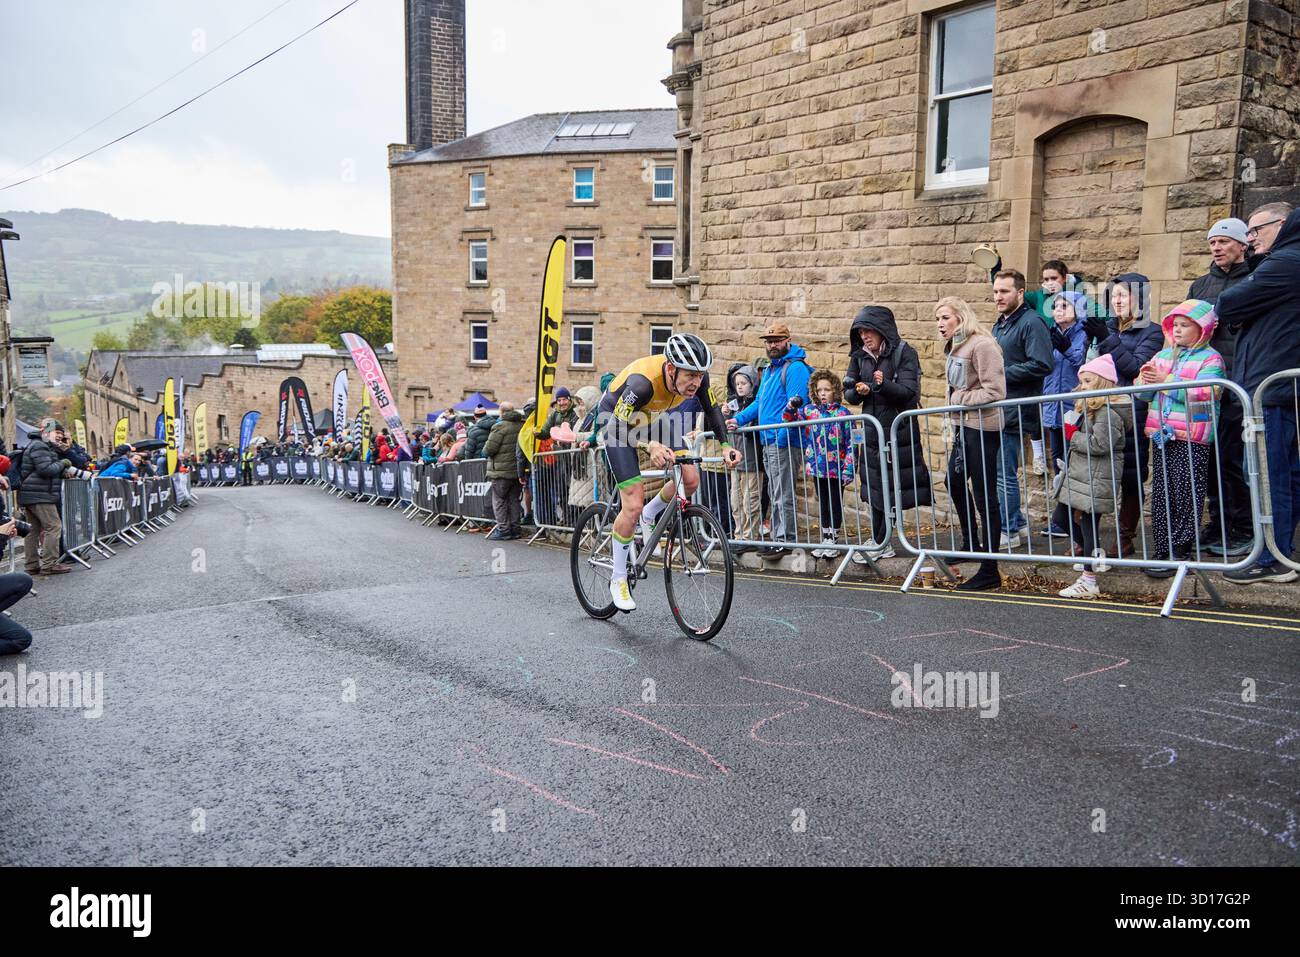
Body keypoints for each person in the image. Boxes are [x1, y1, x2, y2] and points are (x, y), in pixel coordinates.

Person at [597, 334, 741, 610]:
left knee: (690, 479)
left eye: (700, 376)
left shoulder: (698, 379)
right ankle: (618, 579)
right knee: (632, 502)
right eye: (690, 376)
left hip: (651, 418)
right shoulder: (642, 384)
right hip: (616, 422)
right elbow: (616, 426)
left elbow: (712, 408)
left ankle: (651, 514)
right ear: (671, 368)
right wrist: (648, 445)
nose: (695, 383)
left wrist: (725, 446)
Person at [1219, 202, 1300, 584]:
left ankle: (1273, 557)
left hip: (1274, 389)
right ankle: (1277, 550)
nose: (1249, 240)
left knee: (1270, 477)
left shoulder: (1286, 261)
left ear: (1280, 224)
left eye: (1255, 231)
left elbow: (1228, 302)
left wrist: (1243, 302)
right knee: (1280, 475)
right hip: (1276, 387)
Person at [1137, 300, 1225, 577]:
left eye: (1184, 325)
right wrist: (1144, 380)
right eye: (1174, 324)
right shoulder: (1162, 356)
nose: (1177, 329)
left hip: (1192, 437)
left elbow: (1206, 394)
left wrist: (1166, 381)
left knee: (1187, 493)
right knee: (1162, 494)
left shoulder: (1211, 359)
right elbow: (1143, 394)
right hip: (1162, 434)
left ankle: (1181, 549)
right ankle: (1163, 548)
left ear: (1202, 329)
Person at [1082, 272, 1166, 557]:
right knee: (1092, 474)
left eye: (1123, 295)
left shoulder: (1152, 332)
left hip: (1130, 411)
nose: (1116, 301)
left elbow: (1135, 369)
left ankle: (1125, 537)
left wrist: (1106, 339)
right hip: (1097, 410)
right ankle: (1086, 538)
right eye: (1113, 296)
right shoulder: (1105, 327)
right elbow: (1088, 368)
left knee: (1130, 475)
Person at [1187, 218, 1254, 555]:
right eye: (1212, 242)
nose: (1216, 248)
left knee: (1235, 462)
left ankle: (1243, 528)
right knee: (1209, 459)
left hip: (1239, 385)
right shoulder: (1199, 286)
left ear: (1243, 244)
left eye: (1224, 241)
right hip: (1203, 388)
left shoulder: (1257, 279)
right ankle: (1217, 525)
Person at [843, 304, 931, 560]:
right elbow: (848, 391)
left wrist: (881, 386)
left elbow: (909, 393)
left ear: (883, 330)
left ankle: (883, 540)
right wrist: (857, 391)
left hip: (896, 431)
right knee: (873, 487)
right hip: (871, 432)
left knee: (891, 486)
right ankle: (879, 539)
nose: (864, 337)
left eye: (868, 331)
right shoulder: (859, 355)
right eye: (860, 332)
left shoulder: (905, 353)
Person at [936, 297, 1006, 591]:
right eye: (937, 319)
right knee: (953, 480)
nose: (940, 324)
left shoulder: (982, 345)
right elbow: (957, 387)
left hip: (983, 427)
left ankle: (990, 570)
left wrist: (959, 401)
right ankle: (971, 542)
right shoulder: (956, 345)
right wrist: (953, 416)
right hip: (963, 427)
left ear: (961, 318)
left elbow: (996, 390)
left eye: (945, 318)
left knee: (984, 495)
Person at [725, 321, 811, 558]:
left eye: (777, 340)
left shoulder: (795, 368)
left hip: (783, 440)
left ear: (787, 340)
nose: (772, 345)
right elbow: (760, 403)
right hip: (768, 440)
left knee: (783, 492)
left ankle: (786, 540)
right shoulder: (772, 369)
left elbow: (796, 403)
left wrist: (781, 437)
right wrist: (738, 420)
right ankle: (777, 538)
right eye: (769, 341)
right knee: (774, 492)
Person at [1054, 354, 1129, 599]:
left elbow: (1099, 444)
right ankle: (1093, 554)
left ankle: (1089, 579)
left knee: (1088, 525)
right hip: (1082, 476)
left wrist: (1072, 435)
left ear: (1102, 383)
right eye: (1082, 381)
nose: (1082, 387)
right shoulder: (1092, 410)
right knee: (1062, 517)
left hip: (1097, 478)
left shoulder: (1108, 412)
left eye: (1087, 381)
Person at [990, 269, 1053, 548]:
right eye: (995, 292)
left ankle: (1008, 532)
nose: (998, 297)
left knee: (1004, 474)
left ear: (1019, 293)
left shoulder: (1032, 322)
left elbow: (1042, 364)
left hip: (1015, 410)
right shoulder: (1000, 324)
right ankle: (1018, 523)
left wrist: (1000, 373)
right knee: (1000, 471)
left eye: (1004, 291)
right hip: (1000, 407)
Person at [789, 371, 855, 559]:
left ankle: (833, 538)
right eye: (820, 390)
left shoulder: (843, 413)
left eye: (827, 389)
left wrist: (849, 467)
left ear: (835, 390)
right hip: (817, 466)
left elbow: (851, 442)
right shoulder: (810, 411)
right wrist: (792, 406)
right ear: (815, 392)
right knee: (823, 501)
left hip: (836, 467)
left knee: (835, 502)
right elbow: (788, 420)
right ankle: (825, 538)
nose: (823, 393)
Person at [1041, 291, 1090, 539]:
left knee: (1074, 464)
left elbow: (1083, 365)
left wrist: (1067, 348)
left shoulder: (1083, 334)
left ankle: (1073, 517)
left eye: (1065, 305)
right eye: (1055, 305)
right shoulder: (1051, 334)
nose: (1058, 310)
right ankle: (1061, 518)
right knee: (1058, 463)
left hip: (1073, 410)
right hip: (1052, 409)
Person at [17, 421, 75, 576]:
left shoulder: (40, 445)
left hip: (32, 493)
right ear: (45, 432)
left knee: (32, 530)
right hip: (40, 494)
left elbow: (42, 469)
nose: (59, 437)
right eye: (57, 433)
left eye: (61, 435)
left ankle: (32, 565)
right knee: (53, 526)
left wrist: (60, 471)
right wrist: (63, 463)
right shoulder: (40, 446)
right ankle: (49, 564)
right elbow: (45, 470)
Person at [725, 364, 763, 551]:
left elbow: (754, 432)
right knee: (736, 502)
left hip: (752, 461)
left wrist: (741, 428)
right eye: (737, 383)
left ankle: (750, 537)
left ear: (752, 384)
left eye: (744, 383)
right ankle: (739, 535)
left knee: (750, 501)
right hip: (736, 462)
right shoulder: (733, 405)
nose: (740, 387)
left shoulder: (756, 404)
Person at [485, 402, 525, 541]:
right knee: (514, 500)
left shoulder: (499, 426)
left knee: (500, 501)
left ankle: (503, 530)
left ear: (501, 412)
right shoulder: (522, 425)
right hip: (517, 470)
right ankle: (515, 529)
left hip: (501, 471)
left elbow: (489, 449)